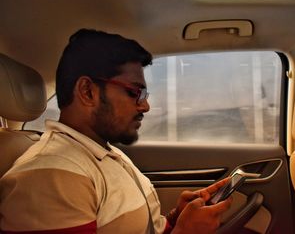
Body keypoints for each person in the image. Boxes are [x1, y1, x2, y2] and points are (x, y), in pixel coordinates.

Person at [0, 29, 232, 233]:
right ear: (88, 91)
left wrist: (175, 219)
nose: (145, 105)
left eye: (145, 95)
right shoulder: (50, 177)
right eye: (134, 92)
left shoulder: (102, 151)